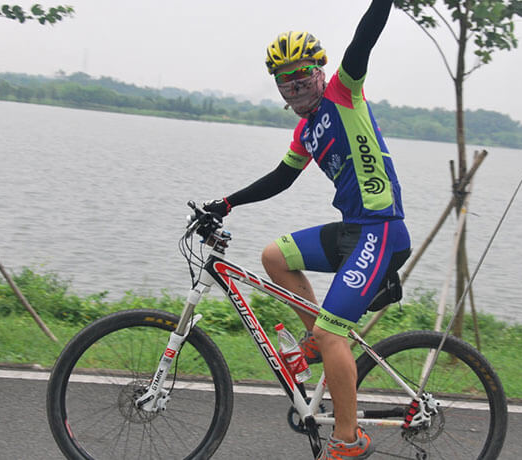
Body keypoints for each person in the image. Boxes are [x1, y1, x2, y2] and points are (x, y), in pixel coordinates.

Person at [204, 1, 410, 458]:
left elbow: (365, 37)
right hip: (353, 229)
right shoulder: (305, 131)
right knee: (274, 257)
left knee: (335, 332)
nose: (296, 83)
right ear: (278, 86)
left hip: (381, 230)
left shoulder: (344, 92)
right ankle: (315, 343)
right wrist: (226, 203)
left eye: (303, 73)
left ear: (321, 71)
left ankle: (347, 440)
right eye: (285, 77)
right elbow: (280, 178)